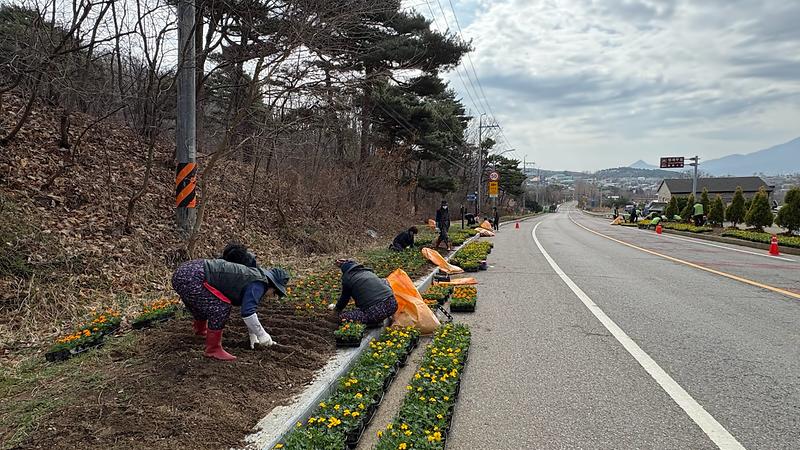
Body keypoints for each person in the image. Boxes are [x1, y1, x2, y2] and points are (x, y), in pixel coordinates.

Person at [171, 255, 290, 361]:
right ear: (272, 286)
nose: (271, 296)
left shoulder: (255, 276)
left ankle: (201, 331)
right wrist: (263, 335)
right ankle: (213, 350)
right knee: (220, 307)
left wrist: (253, 336)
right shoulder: (259, 285)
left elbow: (248, 310)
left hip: (185, 271)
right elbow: (248, 313)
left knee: (205, 302)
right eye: (274, 293)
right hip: (193, 277)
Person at [327, 259, 398, 325]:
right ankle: (386, 317)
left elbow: (344, 299)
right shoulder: (368, 272)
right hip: (392, 304)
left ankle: (374, 323)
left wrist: (336, 310)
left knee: (342, 317)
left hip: (375, 312)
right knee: (383, 281)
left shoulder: (348, 279)